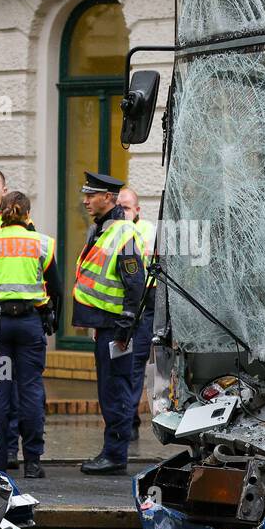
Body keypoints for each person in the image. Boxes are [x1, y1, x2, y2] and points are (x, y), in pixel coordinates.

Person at [74, 172, 147, 475]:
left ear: (109, 197)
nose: (85, 200)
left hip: (117, 329)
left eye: (91, 195)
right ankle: (112, 451)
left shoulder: (122, 233)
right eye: (85, 194)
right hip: (106, 325)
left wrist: (125, 327)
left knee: (115, 391)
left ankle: (115, 455)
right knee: (109, 390)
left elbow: (135, 283)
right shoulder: (102, 230)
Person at [0, 191, 58, 479]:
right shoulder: (41, 242)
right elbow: (57, 287)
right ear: (27, 214)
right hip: (29, 323)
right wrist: (53, 318)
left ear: (2, 213)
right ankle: (33, 462)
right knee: (30, 391)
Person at [118, 187, 156, 444]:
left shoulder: (147, 231)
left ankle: (129, 421)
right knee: (121, 365)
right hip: (119, 307)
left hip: (144, 305)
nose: (123, 212)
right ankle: (126, 418)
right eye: (119, 208)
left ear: (138, 210)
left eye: (128, 208)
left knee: (133, 366)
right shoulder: (111, 231)